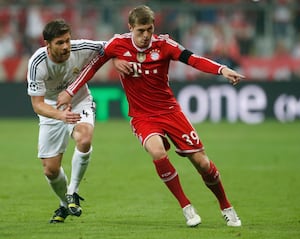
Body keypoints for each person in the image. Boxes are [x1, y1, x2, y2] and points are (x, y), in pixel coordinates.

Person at [57, 5, 244, 227]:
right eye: (141, 31)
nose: (146, 35)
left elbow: (192, 59)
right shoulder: (117, 44)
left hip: (170, 111)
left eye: (149, 29)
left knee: (201, 162)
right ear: (130, 28)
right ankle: (186, 207)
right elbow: (91, 68)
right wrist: (70, 91)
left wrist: (221, 69)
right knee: (157, 152)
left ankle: (226, 206)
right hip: (142, 116)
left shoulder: (164, 44)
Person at [27, 19, 105, 223]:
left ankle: (73, 191)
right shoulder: (37, 63)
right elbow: (37, 104)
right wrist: (59, 114)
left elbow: (111, 47)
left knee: (84, 139)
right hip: (52, 108)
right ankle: (64, 204)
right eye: (60, 43)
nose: (66, 47)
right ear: (48, 45)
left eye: (67, 41)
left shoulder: (82, 48)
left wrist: (120, 60)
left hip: (79, 100)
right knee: (50, 170)